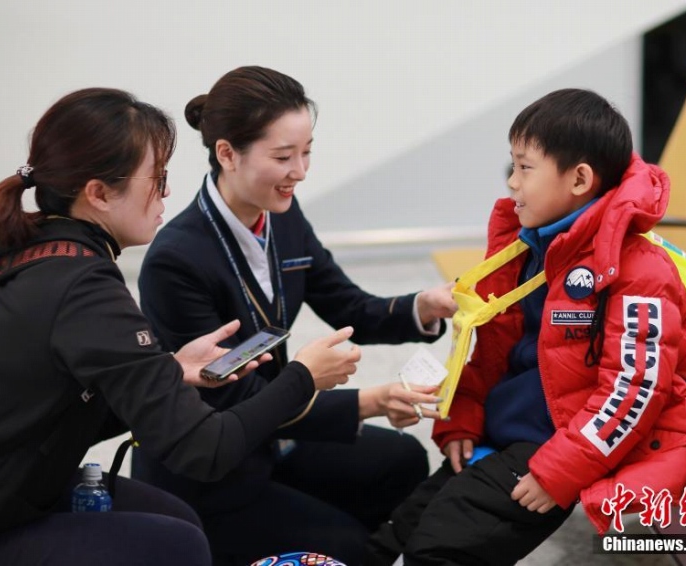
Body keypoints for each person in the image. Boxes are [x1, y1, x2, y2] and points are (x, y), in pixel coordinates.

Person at [0, 87, 361, 566]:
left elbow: (47, 405)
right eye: (157, 177)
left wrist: (168, 369)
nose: (166, 191)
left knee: (178, 519)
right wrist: (304, 377)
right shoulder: (85, 285)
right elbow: (202, 449)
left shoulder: (35, 248)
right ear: (100, 194)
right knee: (177, 545)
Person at [363, 89, 686, 565]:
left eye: (525, 168)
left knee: (437, 551)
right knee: (393, 539)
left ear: (580, 179)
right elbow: (492, 349)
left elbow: (634, 391)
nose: (511, 182)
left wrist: (559, 472)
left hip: (570, 446)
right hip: (512, 432)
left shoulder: (638, 272)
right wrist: (463, 415)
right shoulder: (530, 252)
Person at [132, 66, 458, 565]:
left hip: (275, 438)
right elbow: (235, 397)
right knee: (347, 545)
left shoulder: (280, 215)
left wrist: (424, 305)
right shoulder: (177, 259)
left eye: (307, 152)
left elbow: (350, 308)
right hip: (213, 474)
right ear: (226, 153)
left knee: (403, 462)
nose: (301, 171)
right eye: (284, 156)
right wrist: (368, 400)